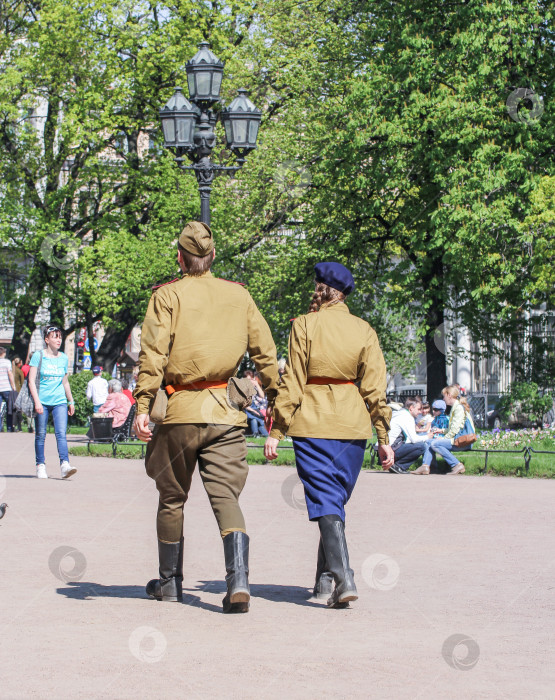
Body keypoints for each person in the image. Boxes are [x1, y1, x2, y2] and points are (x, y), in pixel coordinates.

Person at [133, 221, 279, 612]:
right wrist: (278, 400)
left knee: (171, 498)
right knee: (226, 498)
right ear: (212, 257)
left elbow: (153, 356)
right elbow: (265, 352)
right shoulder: (239, 296)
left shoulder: (166, 296)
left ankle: (169, 584)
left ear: (180, 258)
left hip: (179, 412)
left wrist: (143, 406)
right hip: (226, 414)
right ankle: (238, 581)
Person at [264, 262, 394, 608]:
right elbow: (375, 388)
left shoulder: (304, 325)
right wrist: (383, 437)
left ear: (320, 290)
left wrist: (277, 428)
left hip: (313, 424)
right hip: (352, 427)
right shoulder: (364, 330)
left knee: (326, 501)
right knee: (332, 500)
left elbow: (292, 381)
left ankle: (344, 576)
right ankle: (325, 582)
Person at [28, 326, 77, 479]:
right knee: (41, 435)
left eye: (60, 337)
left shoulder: (63, 358)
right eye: (55, 337)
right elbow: (31, 381)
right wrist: (37, 402)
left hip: (59, 401)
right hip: (42, 401)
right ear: (46, 340)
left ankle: (64, 465)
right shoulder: (38, 356)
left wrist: (71, 401)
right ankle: (40, 465)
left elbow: (65, 382)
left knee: (61, 434)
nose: (58, 340)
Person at [413, 385, 475, 475]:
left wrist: (443, 439)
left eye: (444, 396)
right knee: (428, 442)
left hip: (462, 441)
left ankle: (457, 465)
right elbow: (453, 428)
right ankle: (426, 466)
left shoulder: (458, 408)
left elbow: (455, 430)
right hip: (457, 439)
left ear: (449, 395)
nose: (443, 398)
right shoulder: (455, 407)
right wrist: (441, 431)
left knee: (435, 444)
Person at [385, 396, 432, 473]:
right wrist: (427, 436)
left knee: (417, 444)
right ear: (411, 408)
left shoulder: (400, 413)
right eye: (419, 409)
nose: (420, 412)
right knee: (422, 446)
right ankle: (398, 466)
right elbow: (414, 439)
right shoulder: (407, 417)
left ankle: (394, 465)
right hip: (389, 450)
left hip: (384, 449)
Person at [0, 347, 16, 432]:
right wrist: (13, 386)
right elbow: (10, 374)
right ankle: (9, 427)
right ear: (4, 353)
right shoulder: (7, 362)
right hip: (6, 388)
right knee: (9, 409)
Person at [12, 357, 24, 432]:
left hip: (11, 391)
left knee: (13, 410)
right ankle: (19, 424)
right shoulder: (19, 371)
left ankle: (13, 426)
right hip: (18, 391)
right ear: (19, 363)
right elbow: (22, 383)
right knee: (18, 410)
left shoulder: (12, 370)